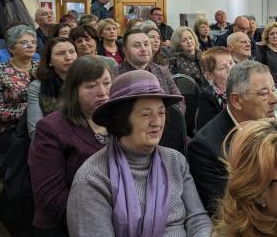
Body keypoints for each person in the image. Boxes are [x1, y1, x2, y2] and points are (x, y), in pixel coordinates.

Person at [66, 70, 212, 236]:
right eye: (145, 114)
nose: (157, 122)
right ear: (121, 119)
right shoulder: (93, 178)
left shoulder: (175, 160)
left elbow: (197, 219)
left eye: (161, 113)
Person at [28, 56, 112, 234]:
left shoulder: (118, 119)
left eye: (107, 83)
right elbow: (50, 196)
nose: (103, 92)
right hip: (68, 223)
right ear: (74, 91)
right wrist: (102, 218)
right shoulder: (51, 129)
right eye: (91, 86)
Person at [188, 61, 277, 216]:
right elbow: (227, 210)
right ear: (236, 100)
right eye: (264, 94)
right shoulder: (205, 147)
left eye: (273, 90)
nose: (275, 99)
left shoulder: (274, 126)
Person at [0, 25, 38, 153]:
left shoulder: (42, 67)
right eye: (24, 42)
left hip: (43, 123)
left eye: (33, 42)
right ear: (11, 48)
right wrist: (31, 114)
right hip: (12, 127)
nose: (30, 46)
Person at [118, 29, 185, 115]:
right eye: (137, 46)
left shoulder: (162, 71)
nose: (143, 49)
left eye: (146, 44)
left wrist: (166, 121)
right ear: (125, 50)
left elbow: (179, 100)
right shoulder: (115, 75)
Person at [27, 37, 77, 139]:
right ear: (49, 61)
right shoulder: (37, 86)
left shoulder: (87, 80)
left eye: (72, 52)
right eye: (60, 53)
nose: (68, 57)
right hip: (54, 140)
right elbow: (35, 130)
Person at [196, 47, 234, 131]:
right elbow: (208, 131)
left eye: (231, 63)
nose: (230, 69)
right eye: (223, 68)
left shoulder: (243, 87)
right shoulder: (207, 96)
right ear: (210, 75)